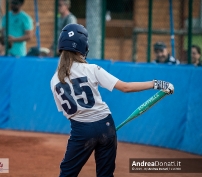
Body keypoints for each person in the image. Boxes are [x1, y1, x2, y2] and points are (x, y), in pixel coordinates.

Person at [50, 24, 174, 177]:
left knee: (67, 174)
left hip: (81, 131)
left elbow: (67, 111)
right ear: (82, 46)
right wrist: (156, 83)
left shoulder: (54, 80)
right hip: (105, 126)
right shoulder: (92, 69)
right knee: (106, 175)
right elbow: (126, 87)